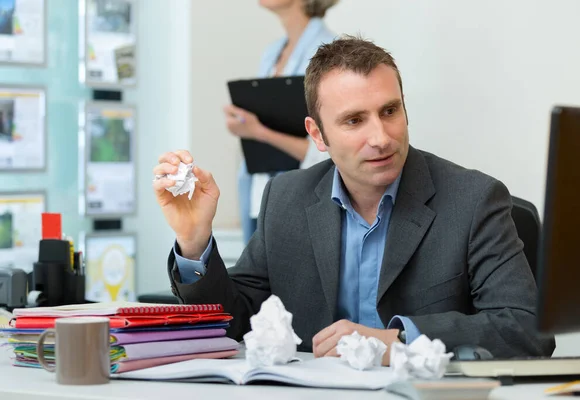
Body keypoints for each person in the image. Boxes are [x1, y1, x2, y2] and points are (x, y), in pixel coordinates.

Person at [154, 36, 555, 364]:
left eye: (390, 111)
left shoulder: (472, 199)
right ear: (317, 135)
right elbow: (235, 320)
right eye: (354, 120)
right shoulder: (286, 199)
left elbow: (525, 328)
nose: (381, 137)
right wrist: (195, 241)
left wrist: (397, 342)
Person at [224, 0, 338, 244]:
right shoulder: (272, 54)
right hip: (261, 197)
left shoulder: (330, 53)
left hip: (302, 200)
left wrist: (258, 132)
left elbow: (328, 150)